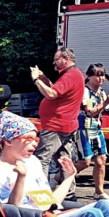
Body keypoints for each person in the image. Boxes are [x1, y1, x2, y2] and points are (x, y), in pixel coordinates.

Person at [31, 47, 84, 185]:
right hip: (65, 125)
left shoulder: (71, 75)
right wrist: (44, 78)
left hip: (56, 126)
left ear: (66, 59)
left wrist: (36, 79)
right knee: (64, 160)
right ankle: (69, 193)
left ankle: (39, 192)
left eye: (56, 59)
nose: (54, 63)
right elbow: (56, 89)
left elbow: (51, 94)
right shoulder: (73, 74)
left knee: (41, 160)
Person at [75, 64, 109, 199]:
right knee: (85, 162)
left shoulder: (101, 92)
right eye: (97, 75)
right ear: (89, 76)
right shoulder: (84, 91)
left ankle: (99, 191)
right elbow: (90, 112)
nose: (100, 78)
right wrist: (106, 101)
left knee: (102, 160)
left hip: (96, 128)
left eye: (103, 75)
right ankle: (58, 177)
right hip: (83, 129)